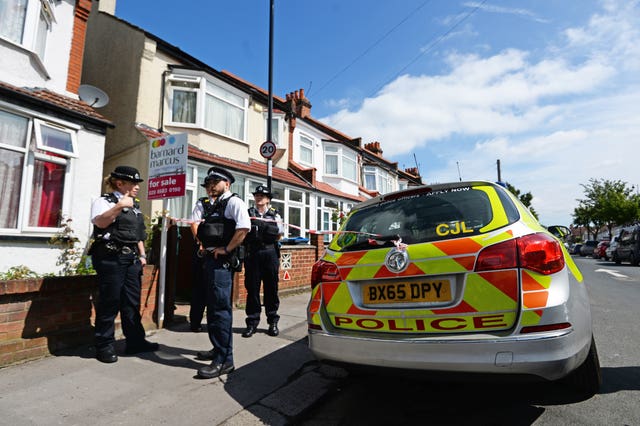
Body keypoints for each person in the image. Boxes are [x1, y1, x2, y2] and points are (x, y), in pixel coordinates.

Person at [90, 166, 159, 363]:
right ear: (120, 183)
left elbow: (136, 234)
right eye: (133, 183)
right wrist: (119, 206)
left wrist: (143, 254)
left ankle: (135, 341)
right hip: (111, 258)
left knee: (131, 302)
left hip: (131, 260)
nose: (137, 187)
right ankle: (104, 345)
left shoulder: (134, 206)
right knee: (109, 302)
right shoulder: (104, 201)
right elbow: (100, 223)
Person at [193, 166, 250, 379]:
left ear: (227, 183)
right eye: (208, 184)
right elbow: (196, 224)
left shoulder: (234, 202)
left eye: (214, 183)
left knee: (220, 310)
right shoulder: (208, 204)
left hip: (222, 262)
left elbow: (243, 228)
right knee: (212, 307)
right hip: (209, 260)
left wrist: (226, 249)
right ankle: (217, 349)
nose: (210, 187)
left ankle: (225, 360)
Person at [242, 185, 284, 338]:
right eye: (257, 195)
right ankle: (252, 323)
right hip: (253, 253)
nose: (259, 197)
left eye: (262, 196)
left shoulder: (275, 215)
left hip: (270, 253)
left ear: (268, 199)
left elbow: (279, 234)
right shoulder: (248, 213)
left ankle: (272, 321)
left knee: (271, 288)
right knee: (252, 289)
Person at [188, 178, 218, 333]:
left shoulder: (227, 203)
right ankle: (195, 322)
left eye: (212, 186)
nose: (210, 189)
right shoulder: (202, 203)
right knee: (199, 288)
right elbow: (194, 223)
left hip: (220, 253)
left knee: (216, 291)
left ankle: (214, 324)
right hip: (204, 251)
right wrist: (200, 242)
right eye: (207, 187)